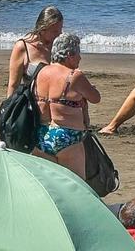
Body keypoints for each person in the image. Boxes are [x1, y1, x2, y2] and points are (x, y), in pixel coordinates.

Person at [33, 31, 100, 177]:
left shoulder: (41, 72)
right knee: (77, 186)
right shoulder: (74, 75)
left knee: (52, 184)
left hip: (42, 134)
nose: (80, 58)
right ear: (69, 55)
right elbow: (95, 98)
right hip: (67, 136)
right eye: (78, 54)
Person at [5, 4, 63, 95]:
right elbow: (13, 85)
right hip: (33, 103)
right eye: (55, 31)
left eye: (60, 30)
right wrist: (9, 107)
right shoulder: (23, 47)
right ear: (42, 28)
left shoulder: (59, 46)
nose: (59, 34)